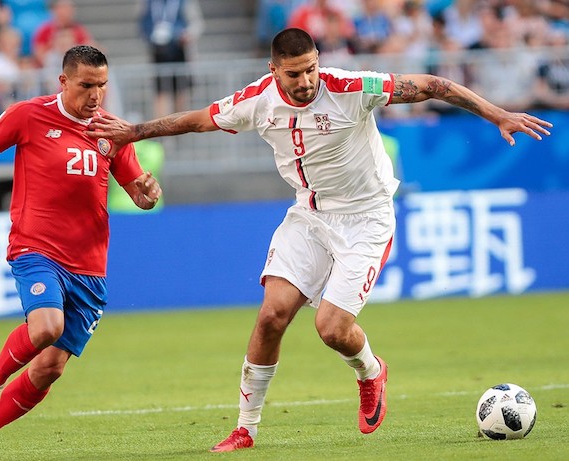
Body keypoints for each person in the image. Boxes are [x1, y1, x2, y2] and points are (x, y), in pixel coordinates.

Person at [86, 28, 552, 452]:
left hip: (366, 219)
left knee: (331, 329)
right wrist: (135, 132)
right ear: (274, 71)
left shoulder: (351, 88)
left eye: (311, 68)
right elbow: (197, 120)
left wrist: (496, 114)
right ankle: (246, 428)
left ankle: (371, 371)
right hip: (308, 216)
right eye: (294, 73)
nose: (306, 80)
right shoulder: (257, 101)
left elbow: (433, 85)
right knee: (271, 316)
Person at [0, 45, 161, 461]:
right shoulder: (28, 116)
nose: (96, 96)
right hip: (36, 249)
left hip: (89, 263)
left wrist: (147, 194)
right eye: (86, 85)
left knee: (50, 368)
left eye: (102, 86)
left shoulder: (112, 132)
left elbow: (138, 193)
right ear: (63, 81)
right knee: (46, 326)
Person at [137, 0, 204, 118]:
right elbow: (142, 22)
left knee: (181, 91)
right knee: (160, 92)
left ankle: (181, 125)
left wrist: (187, 35)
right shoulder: (148, 2)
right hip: (157, 51)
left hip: (179, 50)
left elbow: (196, 23)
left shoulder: (184, 2)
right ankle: (162, 127)